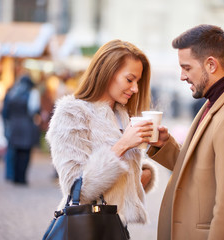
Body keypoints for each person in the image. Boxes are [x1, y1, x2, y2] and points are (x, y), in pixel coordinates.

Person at [148, 24, 224, 240]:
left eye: (186, 67)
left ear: (211, 64)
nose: (182, 76)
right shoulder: (215, 102)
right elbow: (200, 170)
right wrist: (164, 145)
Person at [45, 39, 157, 237]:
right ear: (108, 72)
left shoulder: (122, 115)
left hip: (114, 227)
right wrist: (122, 145)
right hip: (85, 227)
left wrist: (143, 173)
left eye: (138, 82)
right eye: (130, 80)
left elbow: (120, 189)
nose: (135, 89)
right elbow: (78, 189)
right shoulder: (72, 113)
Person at [1, 74, 41, 185]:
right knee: (25, 154)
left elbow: (5, 112)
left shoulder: (12, 93)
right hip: (26, 127)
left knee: (16, 152)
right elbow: (35, 110)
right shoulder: (32, 94)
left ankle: (15, 177)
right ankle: (22, 178)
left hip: (14, 127)